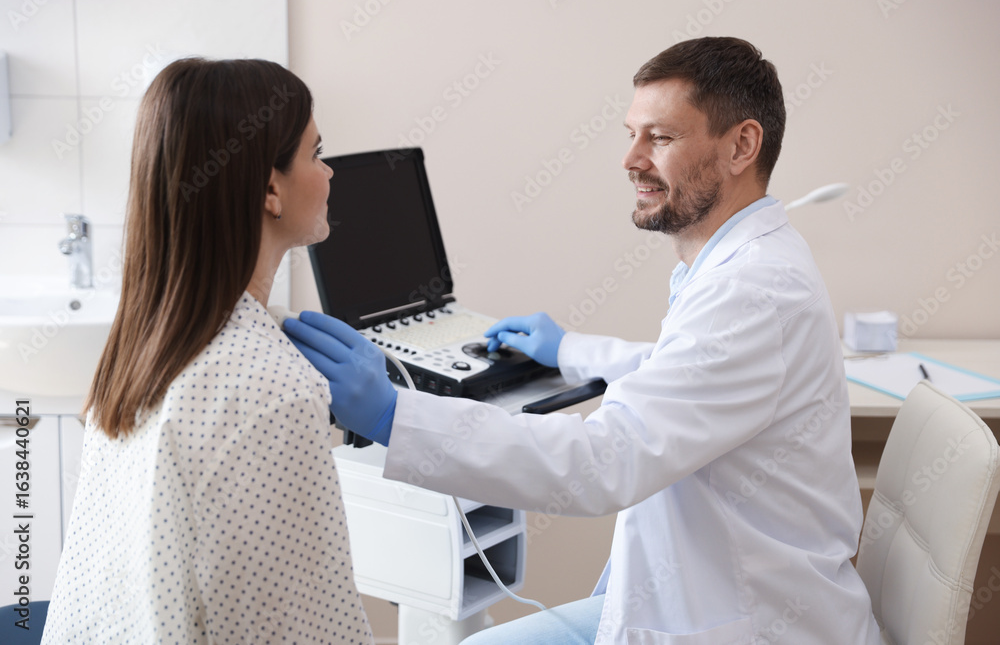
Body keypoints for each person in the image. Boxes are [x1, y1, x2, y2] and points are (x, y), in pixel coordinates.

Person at [284, 37, 882, 643]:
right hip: (711, 597)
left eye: (661, 138)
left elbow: (605, 461)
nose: (631, 158)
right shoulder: (748, 267)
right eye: (631, 133)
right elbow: (682, 374)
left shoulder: (753, 289)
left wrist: (397, 415)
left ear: (741, 146)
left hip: (751, 621)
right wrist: (567, 349)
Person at [43, 58, 373, 644]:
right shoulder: (275, 391)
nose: (328, 174)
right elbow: (302, 632)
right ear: (271, 188)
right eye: (316, 154)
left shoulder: (141, 348)